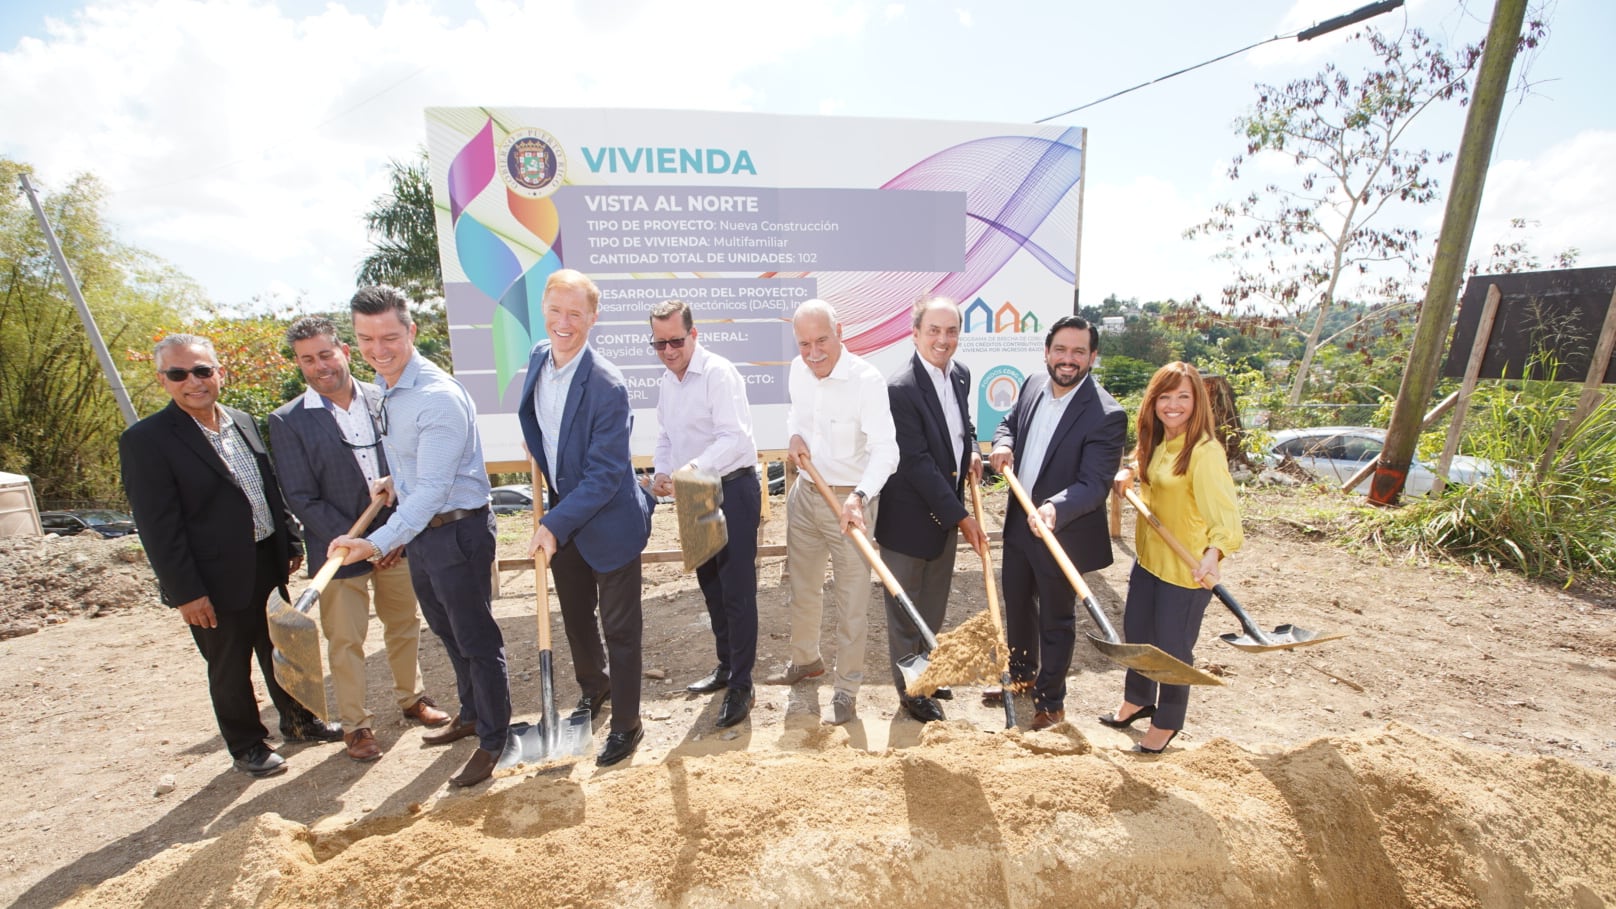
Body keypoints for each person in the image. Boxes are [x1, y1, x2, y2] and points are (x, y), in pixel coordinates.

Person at [119, 334, 342, 779]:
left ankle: (299, 721)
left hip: (264, 560)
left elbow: (265, 486)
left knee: (278, 646)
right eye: (179, 374)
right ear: (163, 380)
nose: (194, 382)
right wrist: (187, 592)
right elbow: (158, 527)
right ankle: (247, 745)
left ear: (220, 372)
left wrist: (289, 542)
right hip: (209, 579)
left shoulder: (241, 420)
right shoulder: (147, 440)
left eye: (202, 370)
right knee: (229, 663)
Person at [328, 286, 509, 788]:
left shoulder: (436, 396)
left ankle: (495, 740)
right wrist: (395, 482)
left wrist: (379, 542)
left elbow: (433, 489)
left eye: (389, 336)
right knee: (448, 633)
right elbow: (418, 472)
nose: (378, 349)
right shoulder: (389, 387)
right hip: (426, 535)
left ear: (411, 332)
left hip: (456, 532)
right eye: (365, 339)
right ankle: (472, 714)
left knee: (476, 639)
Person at [267, 316, 452, 763]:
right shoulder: (288, 420)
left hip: (395, 539)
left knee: (404, 624)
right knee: (345, 640)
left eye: (325, 354)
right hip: (337, 549)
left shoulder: (383, 398)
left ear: (344, 352)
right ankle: (356, 725)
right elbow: (301, 496)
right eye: (307, 359)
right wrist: (357, 541)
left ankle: (413, 699)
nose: (319, 366)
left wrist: (390, 536)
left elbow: (407, 470)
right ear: (299, 364)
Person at [517, 269, 656, 768]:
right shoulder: (538, 357)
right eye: (556, 310)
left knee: (620, 629)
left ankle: (627, 724)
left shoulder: (606, 386)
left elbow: (604, 475)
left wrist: (554, 523)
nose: (564, 322)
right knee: (576, 618)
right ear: (544, 309)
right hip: (563, 511)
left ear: (593, 319)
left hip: (609, 522)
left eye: (575, 314)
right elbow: (535, 421)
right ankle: (592, 690)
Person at [989, 315, 1126, 731]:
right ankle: (1022, 677)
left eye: (1079, 352)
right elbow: (1008, 424)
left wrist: (1053, 508)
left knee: (1055, 618)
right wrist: (1003, 443)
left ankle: (1051, 702)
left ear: (1092, 357)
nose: (1069, 360)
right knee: (1018, 607)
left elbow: (1094, 483)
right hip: (1018, 525)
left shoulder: (1106, 414)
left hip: (1060, 532)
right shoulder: (1031, 385)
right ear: (1047, 352)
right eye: (1061, 350)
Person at [1104, 362, 1243, 753]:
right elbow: (1150, 470)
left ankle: (1167, 721)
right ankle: (1138, 699)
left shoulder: (1205, 451)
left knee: (1172, 646)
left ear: (1198, 401)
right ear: (1153, 402)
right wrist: (1130, 471)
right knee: (1138, 632)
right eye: (1165, 396)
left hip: (1186, 569)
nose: (1173, 405)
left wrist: (1215, 554)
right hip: (1150, 559)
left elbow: (1226, 516)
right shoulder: (1159, 442)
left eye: (1183, 396)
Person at [775, 298, 899, 725]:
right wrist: (793, 436)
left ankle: (847, 688)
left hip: (851, 504)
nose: (813, 353)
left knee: (852, 602)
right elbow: (797, 414)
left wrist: (859, 497)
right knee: (803, 590)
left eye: (821, 340)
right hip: (806, 496)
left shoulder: (866, 381)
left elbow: (887, 451)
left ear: (840, 332)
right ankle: (806, 660)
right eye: (804, 343)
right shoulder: (798, 371)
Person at [647, 299, 762, 729]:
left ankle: (743, 685)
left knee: (737, 590)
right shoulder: (666, 382)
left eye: (676, 340)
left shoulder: (718, 373)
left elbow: (735, 438)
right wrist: (662, 472)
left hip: (731, 489)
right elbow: (664, 436)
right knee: (711, 585)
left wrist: (690, 470)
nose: (669, 350)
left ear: (694, 335)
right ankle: (726, 666)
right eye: (659, 344)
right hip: (694, 494)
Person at [872, 297, 988, 723]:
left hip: (944, 514)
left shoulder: (960, 375)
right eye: (934, 331)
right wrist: (961, 515)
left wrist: (973, 450)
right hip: (909, 519)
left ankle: (928, 672)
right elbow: (916, 461)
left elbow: (965, 427)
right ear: (915, 332)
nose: (943, 339)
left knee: (934, 604)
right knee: (906, 611)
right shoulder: (899, 388)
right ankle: (912, 692)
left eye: (951, 331)